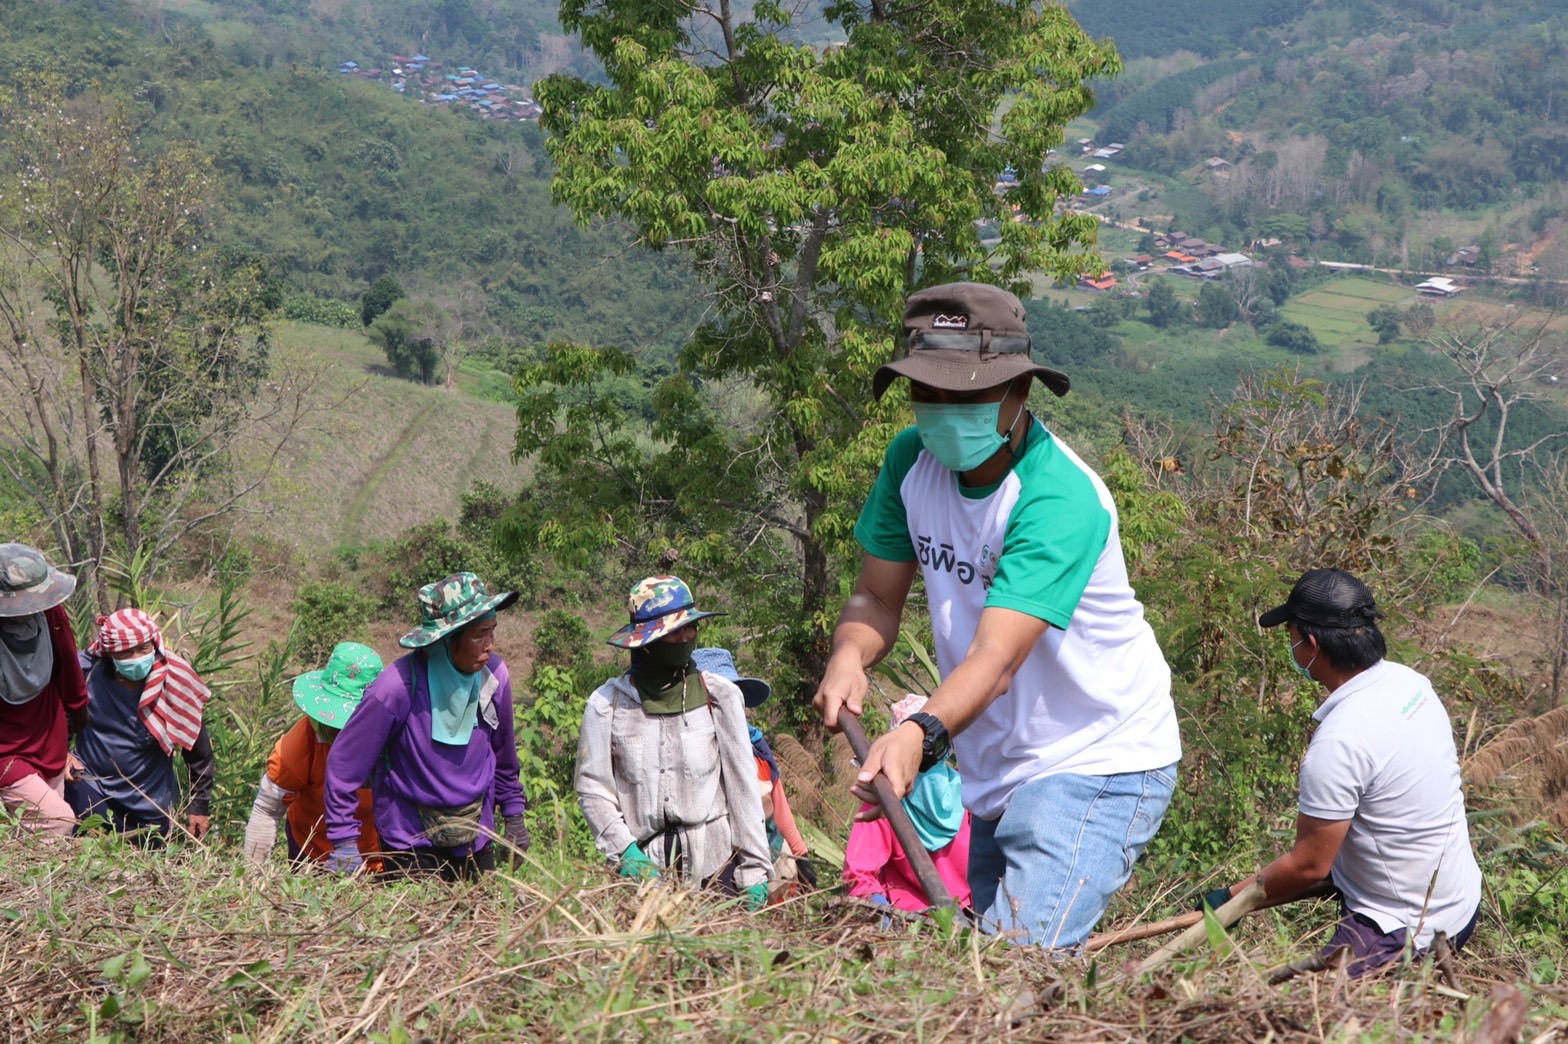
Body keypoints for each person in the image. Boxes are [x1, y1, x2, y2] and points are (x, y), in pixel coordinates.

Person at [813, 281, 1182, 948]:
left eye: (966, 395)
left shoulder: (1057, 498)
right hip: (994, 766)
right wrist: (849, 655)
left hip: (1095, 755)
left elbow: (997, 657)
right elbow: (876, 598)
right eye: (927, 392)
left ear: (1019, 391)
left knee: (1017, 961)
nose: (942, 411)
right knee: (983, 963)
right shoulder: (909, 462)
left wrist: (919, 733)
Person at [1200, 569, 1483, 977]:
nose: (1292, 647)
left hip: (1405, 930)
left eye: (1291, 637)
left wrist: (1229, 900)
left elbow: (1309, 866)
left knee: (1301, 1003)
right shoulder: (1412, 685)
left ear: (1312, 646)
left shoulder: (1340, 741)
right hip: (1461, 902)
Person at [575, 577, 772, 910]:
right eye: (673, 632)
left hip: (715, 869)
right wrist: (626, 852)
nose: (684, 638)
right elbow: (593, 789)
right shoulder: (607, 705)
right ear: (646, 641)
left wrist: (754, 870)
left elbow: (743, 789)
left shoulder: (719, 696)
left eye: (689, 628)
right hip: (643, 874)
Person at [323, 572, 528, 881]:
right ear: (447, 638)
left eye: (492, 631)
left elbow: (503, 753)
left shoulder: (493, 677)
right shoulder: (396, 689)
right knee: (422, 912)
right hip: (410, 841)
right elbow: (344, 765)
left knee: (479, 911)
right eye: (480, 635)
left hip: (475, 834)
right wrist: (344, 841)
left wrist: (514, 816)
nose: (490, 645)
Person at [68, 608, 214, 844]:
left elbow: (198, 750)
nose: (136, 657)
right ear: (110, 653)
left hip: (150, 807)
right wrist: (63, 753)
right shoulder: (87, 673)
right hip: (91, 790)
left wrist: (199, 804)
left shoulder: (174, 681)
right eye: (126, 652)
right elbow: (58, 714)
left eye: (143, 649)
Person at [243, 641, 385, 868]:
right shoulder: (301, 744)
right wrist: (252, 874)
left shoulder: (393, 736)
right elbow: (267, 809)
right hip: (312, 853)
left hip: (380, 857)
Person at [691, 646, 818, 898]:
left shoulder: (756, 745)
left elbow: (777, 802)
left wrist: (800, 853)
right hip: (714, 870)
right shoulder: (690, 749)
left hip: (770, 860)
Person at [843, 694, 972, 912]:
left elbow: (857, 875)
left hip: (936, 921)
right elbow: (859, 876)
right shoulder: (970, 789)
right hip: (916, 922)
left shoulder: (883, 801)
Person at [0, 544, 89, 836]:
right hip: (6, 753)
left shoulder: (49, 614)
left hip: (48, 737)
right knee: (58, 820)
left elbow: (69, 674)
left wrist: (75, 725)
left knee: (39, 838)